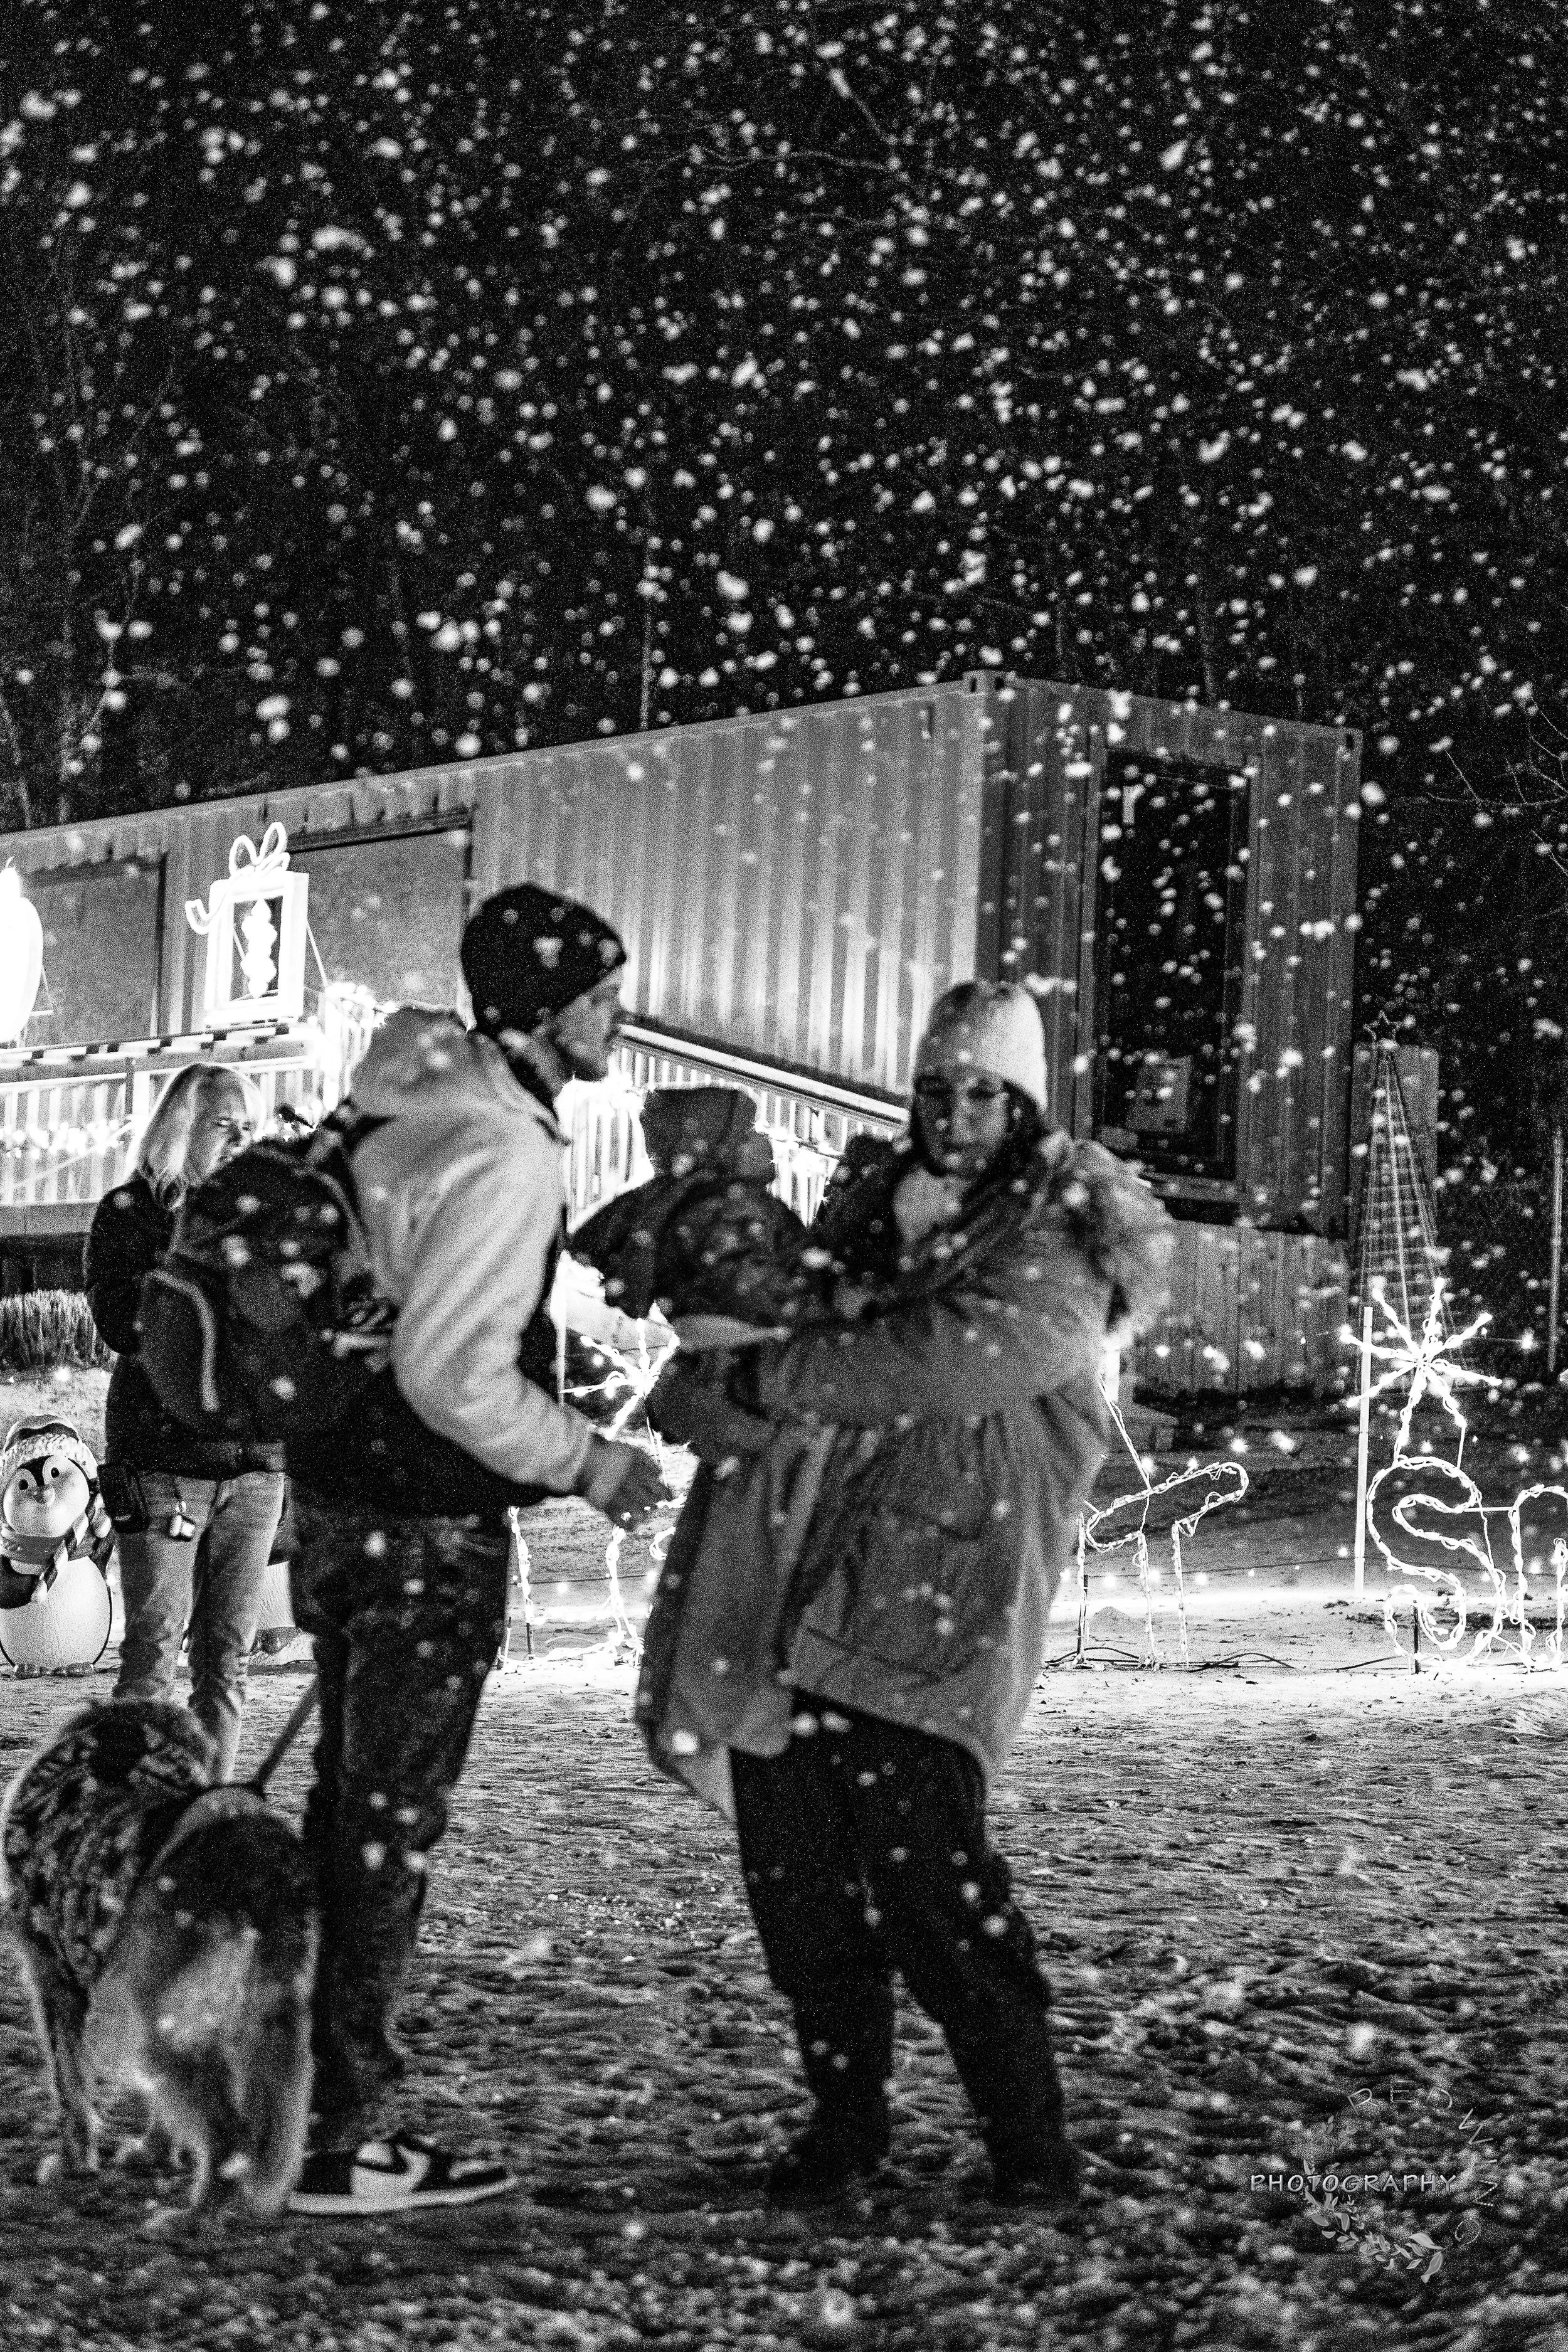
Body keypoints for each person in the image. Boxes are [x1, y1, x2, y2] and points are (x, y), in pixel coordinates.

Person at [638, 981, 1173, 2206]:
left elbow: (955, 1357)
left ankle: (1028, 2143)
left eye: (983, 1088)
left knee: (933, 1884)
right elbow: (789, 1343)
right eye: (936, 1086)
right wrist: (706, 1382)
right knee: (798, 1886)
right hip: (797, 1591)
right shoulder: (868, 1212)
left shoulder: (1059, 1229)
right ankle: (845, 2124)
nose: (955, 1110)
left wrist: (765, 1376)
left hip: (937, 1593)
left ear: (1025, 1101)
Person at [284, 882, 668, 2218]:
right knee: (384, 1831)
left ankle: (295, 2101)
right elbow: (454, 1375)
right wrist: (591, 1460)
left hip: (333, 1505)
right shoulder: (500, 1147)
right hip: (424, 1531)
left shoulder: (392, 1103)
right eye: (604, 990)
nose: (620, 1012)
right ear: (548, 1008)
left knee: (345, 1816)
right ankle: (339, 2136)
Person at [85, 1064, 283, 1783]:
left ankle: (202, 1819)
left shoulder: (266, 1216)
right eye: (224, 1125)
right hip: (163, 1464)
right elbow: (121, 1322)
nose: (241, 1141)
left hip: (255, 1465)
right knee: (152, 1656)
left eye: (249, 1129)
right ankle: (132, 1819)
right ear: (181, 1126)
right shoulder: (131, 1211)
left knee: (227, 1661)